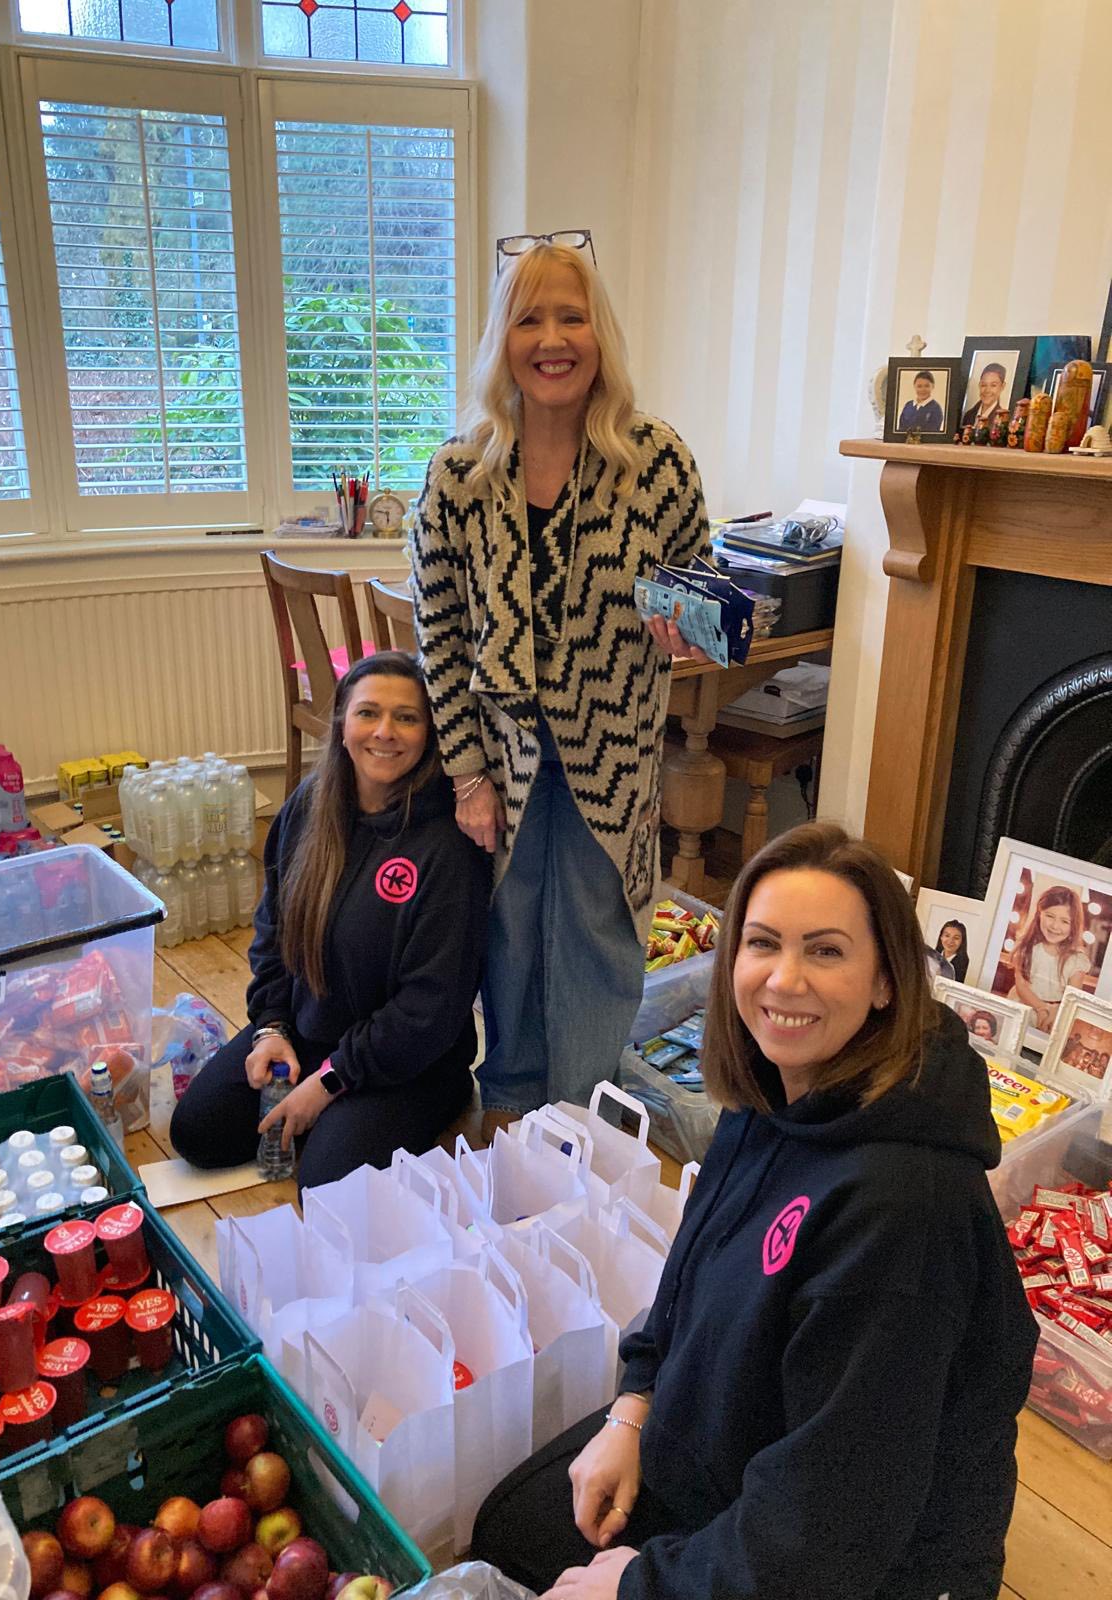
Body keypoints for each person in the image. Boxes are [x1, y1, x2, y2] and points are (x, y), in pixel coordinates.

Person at [471, 821, 1037, 1600]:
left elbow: (832, 1528)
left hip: (859, 1564)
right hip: (741, 1451)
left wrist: (640, 1587)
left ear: (886, 981)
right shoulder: (772, 1092)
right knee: (507, 1531)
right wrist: (631, 1409)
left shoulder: (904, 1212)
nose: (784, 980)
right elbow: (690, 1272)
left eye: (827, 950)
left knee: (534, 1562)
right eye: (763, 943)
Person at [410, 237, 711, 1135]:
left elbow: (700, 593)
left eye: (570, 317)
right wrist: (464, 773)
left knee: (595, 926)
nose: (552, 338)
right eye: (529, 318)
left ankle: (580, 1115)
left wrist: (684, 625)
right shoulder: (458, 473)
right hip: (500, 754)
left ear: (599, 334)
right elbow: (440, 635)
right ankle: (509, 1101)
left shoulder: (654, 460)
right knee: (506, 925)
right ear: (503, 340)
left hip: (612, 747)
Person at [169, 653, 489, 1190]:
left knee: (324, 1180)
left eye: (407, 718)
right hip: (308, 1028)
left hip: (404, 1062)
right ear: (342, 724)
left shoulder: (448, 846)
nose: (385, 733)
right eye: (369, 713)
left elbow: (428, 1009)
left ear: (431, 733)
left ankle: (434, 1099)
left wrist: (327, 1083)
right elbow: (271, 931)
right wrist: (270, 1028)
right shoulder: (309, 807)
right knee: (196, 1134)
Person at [1008, 882, 1090, 1032]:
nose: (1055, 926)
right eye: (1050, 916)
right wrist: (1041, 1008)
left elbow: (1071, 999)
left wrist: (1052, 1013)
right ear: (1039, 914)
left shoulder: (1076, 961)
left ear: (1074, 925)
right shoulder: (1027, 947)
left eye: (1065, 921)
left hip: (1055, 1014)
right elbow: (1021, 986)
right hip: (1023, 1005)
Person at [961, 361, 1007, 428]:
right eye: (984, 385)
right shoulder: (968, 415)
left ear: (1002, 386)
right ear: (979, 385)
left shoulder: (1002, 419)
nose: (987, 390)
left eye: (993, 385)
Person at [934, 915, 969, 982]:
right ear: (941, 937)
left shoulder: (964, 965)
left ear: (962, 941)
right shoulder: (932, 957)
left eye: (956, 938)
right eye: (947, 936)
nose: (950, 941)